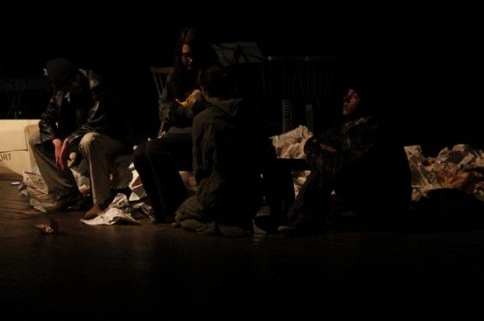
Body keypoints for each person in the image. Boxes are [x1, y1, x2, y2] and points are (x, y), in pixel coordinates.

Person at [278, 74, 413, 236]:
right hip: (365, 196)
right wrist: (324, 151)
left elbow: (338, 169)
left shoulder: (376, 132)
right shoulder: (351, 127)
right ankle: (295, 216)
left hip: (384, 209)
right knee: (325, 162)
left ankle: (298, 217)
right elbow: (314, 142)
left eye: (354, 96)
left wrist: (329, 155)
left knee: (326, 167)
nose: (345, 99)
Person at [174, 64, 275, 236]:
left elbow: (201, 166)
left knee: (181, 214)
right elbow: (266, 154)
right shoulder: (250, 113)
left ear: (204, 90)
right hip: (252, 197)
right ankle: (233, 220)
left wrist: (205, 191)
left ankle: (216, 227)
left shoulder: (202, 120)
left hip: (218, 196)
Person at [132, 26, 219, 223]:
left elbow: (212, 109)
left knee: (154, 149)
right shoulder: (177, 76)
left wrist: (190, 112)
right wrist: (179, 112)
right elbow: (163, 106)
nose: (190, 60)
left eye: (193, 55)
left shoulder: (211, 74)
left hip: (198, 135)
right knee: (139, 154)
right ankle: (161, 211)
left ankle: (177, 209)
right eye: (185, 56)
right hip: (176, 132)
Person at [27, 58, 132, 220]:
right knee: (36, 138)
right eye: (68, 85)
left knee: (88, 140)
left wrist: (69, 140)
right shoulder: (60, 92)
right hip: (80, 137)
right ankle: (67, 194)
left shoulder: (96, 83)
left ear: (77, 73)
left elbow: (96, 122)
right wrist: (55, 140)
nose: (74, 85)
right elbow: (46, 119)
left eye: (74, 80)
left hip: (112, 136)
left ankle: (102, 201)